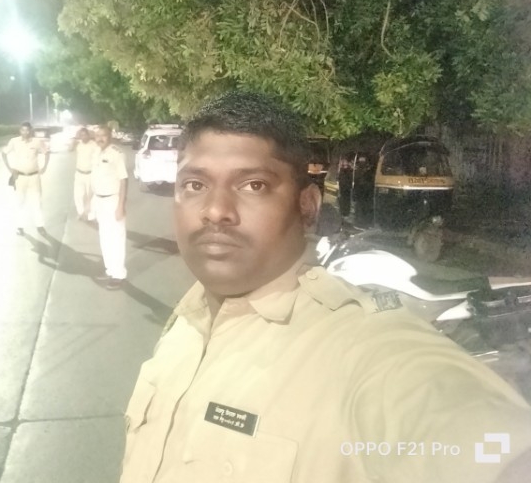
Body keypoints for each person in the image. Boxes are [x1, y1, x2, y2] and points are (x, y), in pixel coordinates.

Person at [120, 91, 531, 483]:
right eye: (195, 185)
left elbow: (471, 433)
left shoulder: (363, 351)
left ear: (308, 207)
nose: (215, 210)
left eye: (254, 185)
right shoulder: (186, 321)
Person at [90, 124, 128, 289]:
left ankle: (118, 274)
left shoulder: (117, 154)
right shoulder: (96, 152)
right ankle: (110, 269)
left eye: (103, 135)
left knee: (116, 239)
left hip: (113, 200)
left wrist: (121, 206)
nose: (100, 138)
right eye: (97, 135)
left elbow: (123, 180)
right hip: (99, 200)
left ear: (110, 136)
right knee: (105, 238)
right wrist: (91, 203)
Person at [2, 122, 48, 236]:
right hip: (20, 177)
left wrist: (44, 167)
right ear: (20, 131)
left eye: (27, 130)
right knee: (20, 202)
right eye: (23, 130)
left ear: (31, 131)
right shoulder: (14, 141)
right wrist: (9, 169)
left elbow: (47, 152)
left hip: (34, 177)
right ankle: (20, 227)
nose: (25, 132)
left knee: (36, 202)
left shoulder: (37, 142)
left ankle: (40, 226)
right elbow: (4, 153)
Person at [71, 127, 98, 221]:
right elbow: (70, 148)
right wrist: (75, 138)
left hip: (90, 173)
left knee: (92, 196)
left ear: (88, 135)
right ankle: (81, 212)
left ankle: (91, 215)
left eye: (85, 135)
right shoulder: (78, 144)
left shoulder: (94, 145)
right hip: (79, 173)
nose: (83, 137)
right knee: (78, 195)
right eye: (81, 135)